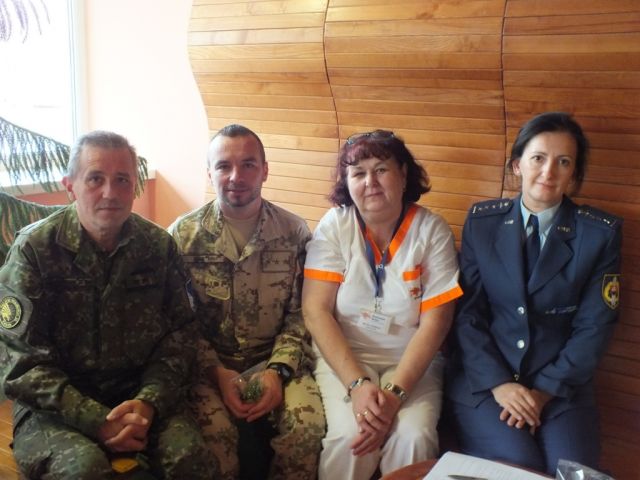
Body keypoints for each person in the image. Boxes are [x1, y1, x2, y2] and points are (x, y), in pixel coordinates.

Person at [0, 131, 213, 479]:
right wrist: (96, 420)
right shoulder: (34, 250)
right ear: (70, 186)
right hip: (55, 409)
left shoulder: (158, 247)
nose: (110, 193)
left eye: (122, 180)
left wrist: (149, 402)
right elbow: (19, 362)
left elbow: (180, 336)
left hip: (139, 396)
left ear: (135, 186)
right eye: (95, 179)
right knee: (84, 470)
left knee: (189, 459)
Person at [445, 112, 622, 475]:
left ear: (574, 174)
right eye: (538, 158)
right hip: (485, 383)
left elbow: (594, 328)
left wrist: (542, 392)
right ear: (517, 165)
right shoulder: (483, 222)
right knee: (519, 468)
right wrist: (499, 384)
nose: (548, 172)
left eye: (563, 162)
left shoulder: (598, 235)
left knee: (573, 473)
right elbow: (467, 314)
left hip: (561, 388)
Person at [302, 130, 462, 479]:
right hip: (345, 358)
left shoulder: (431, 230)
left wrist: (394, 396)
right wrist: (357, 385)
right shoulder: (335, 225)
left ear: (403, 175)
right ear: (346, 182)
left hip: (412, 362)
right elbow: (316, 312)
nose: (370, 182)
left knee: (414, 437)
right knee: (350, 437)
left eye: (381, 169)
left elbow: (437, 322)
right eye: (358, 173)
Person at [169, 124, 324, 480]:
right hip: (208, 366)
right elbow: (177, 320)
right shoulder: (182, 236)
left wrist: (277, 370)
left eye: (248, 165)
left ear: (265, 170)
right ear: (209, 173)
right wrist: (215, 370)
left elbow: (302, 313)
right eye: (223, 166)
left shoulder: (294, 232)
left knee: (306, 430)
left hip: (275, 359)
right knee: (215, 440)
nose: (235, 176)